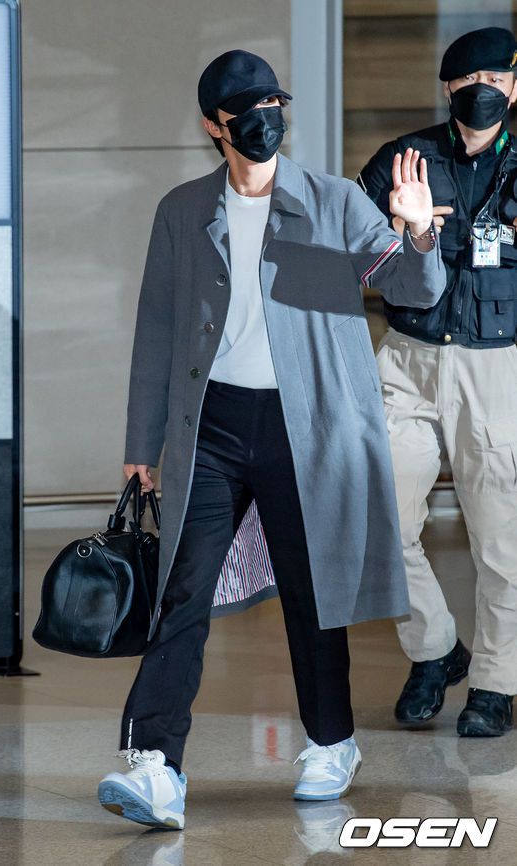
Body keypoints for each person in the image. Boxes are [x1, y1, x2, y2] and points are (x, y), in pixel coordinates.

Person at [97, 49, 444, 829]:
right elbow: (156, 329)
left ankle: (332, 742)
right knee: (183, 589)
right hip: (212, 426)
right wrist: (142, 443)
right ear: (214, 126)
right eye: (247, 112)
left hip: (306, 425)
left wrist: (419, 232)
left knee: (312, 589)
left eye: (273, 105)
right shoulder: (183, 210)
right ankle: (155, 766)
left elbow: (414, 290)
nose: (265, 121)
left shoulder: (335, 201)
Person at [357, 27, 517, 738]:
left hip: (498, 365)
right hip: (408, 359)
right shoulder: (404, 160)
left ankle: (495, 684)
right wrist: (401, 229)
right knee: (381, 519)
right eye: (469, 80)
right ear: (449, 88)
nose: (484, 90)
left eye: (496, 78)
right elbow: (352, 256)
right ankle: (435, 650)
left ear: (515, 88)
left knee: (501, 539)